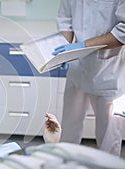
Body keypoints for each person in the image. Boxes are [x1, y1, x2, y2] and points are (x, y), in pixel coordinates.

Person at [52, 0, 125, 156]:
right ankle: (65, 163)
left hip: (109, 72)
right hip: (77, 68)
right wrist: (65, 50)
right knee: (68, 130)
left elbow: (123, 30)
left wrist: (83, 46)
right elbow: (65, 20)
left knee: (108, 138)